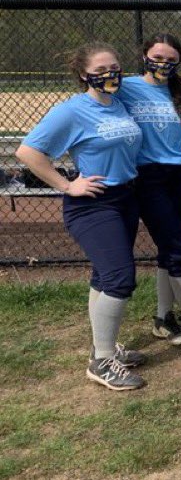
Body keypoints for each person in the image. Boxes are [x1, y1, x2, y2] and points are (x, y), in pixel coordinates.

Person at [16, 42, 146, 390]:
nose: (110, 75)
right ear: (83, 75)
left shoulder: (119, 103)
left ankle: (103, 345)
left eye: (115, 67)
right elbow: (27, 151)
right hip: (93, 202)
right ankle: (102, 361)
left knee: (104, 276)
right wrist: (66, 184)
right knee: (120, 278)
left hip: (125, 198)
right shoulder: (72, 111)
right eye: (101, 70)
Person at [117, 33, 181, 346]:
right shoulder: (127, 87)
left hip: (179, 173)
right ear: (144, 55)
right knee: (178, 247)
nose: (163, 64)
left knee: (171, 248)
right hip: (146, 175)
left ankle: (163, 316)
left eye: (170, 59)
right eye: (157, 57)